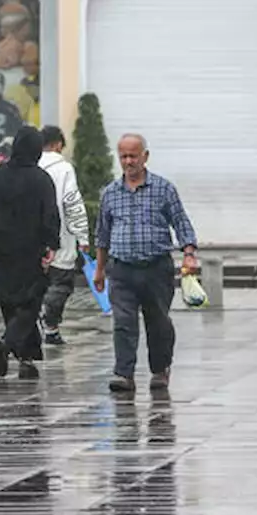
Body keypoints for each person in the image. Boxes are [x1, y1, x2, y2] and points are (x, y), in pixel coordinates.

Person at [93, 134, 198, 393]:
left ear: (145, 156)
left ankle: (160, 370)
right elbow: (102, 234)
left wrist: (188, 253)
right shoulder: (110, 193)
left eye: (133, 156)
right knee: (123, 322)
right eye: (123, 156)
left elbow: (181, 223)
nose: (128, 162)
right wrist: (99, 270)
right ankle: (124, 373)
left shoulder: (164, 189)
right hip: (121, 269)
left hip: (156, 268)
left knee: (158, 321)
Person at [0, 126, 60, 379]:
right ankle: (8, 343)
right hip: (30, 250)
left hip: (0, 249)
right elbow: (50, 216)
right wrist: (51, 247)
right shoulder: (41, 179)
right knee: (29, 304)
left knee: (8, 302)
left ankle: (26, 357)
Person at [38, 126, 90, 345]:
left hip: (33, 238)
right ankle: (48, 321)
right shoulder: (64, 168)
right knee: (61, 284)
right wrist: (83, 236)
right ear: (58, 144)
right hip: (61, 236)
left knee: (37, 283)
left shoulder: (30, 165)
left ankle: (48, 327)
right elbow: (72, 203)